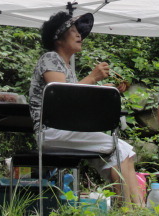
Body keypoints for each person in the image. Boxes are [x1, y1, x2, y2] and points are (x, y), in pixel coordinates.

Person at [29, 11, 144, 207]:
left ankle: (134, 207)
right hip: (51, 132)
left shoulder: (65, 66)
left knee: (122, 151)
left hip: (64, 132)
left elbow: (74, 99)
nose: (79, 34)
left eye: (79, 31)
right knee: (121, 150)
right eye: (73, 31)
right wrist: (92, 78)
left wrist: (101, 90)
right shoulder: (51, 58)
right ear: (58, 37)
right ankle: (132, 208)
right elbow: (62, 99)